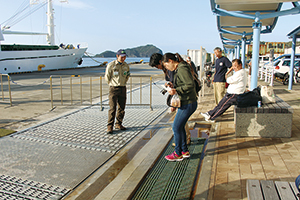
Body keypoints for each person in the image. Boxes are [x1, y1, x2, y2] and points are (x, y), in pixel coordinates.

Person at [162, 53, 198, 162]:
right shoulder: (181, 68)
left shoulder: (182, 68)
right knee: (180, 126)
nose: (167, 68)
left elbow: (189, 85)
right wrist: (173, 86)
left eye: (166, 65)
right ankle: (184, 151)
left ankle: (177, 153)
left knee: (176, 127)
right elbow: (185, 83)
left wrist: (176, 90)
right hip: (188, 102)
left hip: (187, 102)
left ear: (170, 61)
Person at [149, 53, 191, 145]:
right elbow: (172, 82)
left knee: (179, 123)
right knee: (179, 122)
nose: (158, 68)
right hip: (179, 96)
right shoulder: (168, 69)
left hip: (182, 97)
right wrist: (168, 84)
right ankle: (183, 142)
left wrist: (173, 103)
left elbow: (184, 85)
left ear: (162, 61)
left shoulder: (173, 68)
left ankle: (184, 141)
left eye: (157, 66)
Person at [105, 49, 130, 134]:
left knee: (121, 108)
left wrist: (123, 83)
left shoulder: (126, 65)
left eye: (125, 57)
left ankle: (118, 123)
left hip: (123, 88)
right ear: (117, 56)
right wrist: (112, 84)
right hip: (113, 88)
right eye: (122, 57)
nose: (123, 58)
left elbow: (127, 75)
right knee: (112, 108)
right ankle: (110, 126)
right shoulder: (111, 65)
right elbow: (107, 77)